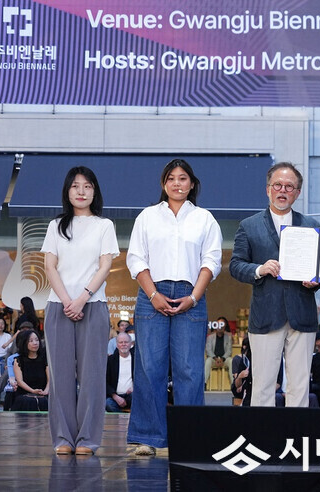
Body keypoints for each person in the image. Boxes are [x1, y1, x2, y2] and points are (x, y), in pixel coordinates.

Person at [127, 158, 222, 456]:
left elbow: (211, 261)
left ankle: (190, 438)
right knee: (149, 368)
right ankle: (147, 438)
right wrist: (153, 294)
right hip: (151, 294)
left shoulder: (204, 218)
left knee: (189, 369)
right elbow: (136, 259)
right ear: (163, 184)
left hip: (191, 295)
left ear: (192, 184)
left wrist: (193, 297)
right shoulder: (147, 217)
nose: (177, 183)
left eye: (183, 178)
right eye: (171, 178)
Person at [230, 162, 320, 408]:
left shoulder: (311, 225)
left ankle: (296, 433)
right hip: (266, 316)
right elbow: (236, 266)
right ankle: (262, 432)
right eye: (277, 185)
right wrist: (259, 269)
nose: (283, 190)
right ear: (268, 189)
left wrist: (315, 282)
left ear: (297, 192)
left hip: (302, 315)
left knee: (300, 386)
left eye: (289, 186)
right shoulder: (249, 225)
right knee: (262, 386)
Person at [42, 166, 119, 455]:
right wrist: (67, 301)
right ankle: (63, 438)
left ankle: (87, 439)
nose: (81, 191)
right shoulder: (56, 226)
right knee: (60, 377)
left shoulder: (104, 225)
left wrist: (82, 298)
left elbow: (105, 266)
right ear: (67, 191)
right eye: (75, 186)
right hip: (58, 306)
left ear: (94, 191)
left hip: (93, 306)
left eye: (87, 186)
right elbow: (49, 266)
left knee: (92, 377)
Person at [231, 336, 285, 407]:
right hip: (251, 393)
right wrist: (240, 377)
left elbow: (278, 383)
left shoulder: (276, 356)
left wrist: (264, 392)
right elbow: (237, 385)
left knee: (276, 398)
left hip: (269, 392)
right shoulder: (247, 357)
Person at [11, 330, 49, 411]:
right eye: (31, 341)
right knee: (28, 402)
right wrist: (33, 391)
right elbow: (20, 381)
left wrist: (46, 391)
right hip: (24, 393)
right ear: (24, 343)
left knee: (45, 401)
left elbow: (50, 380)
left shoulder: (45, 359)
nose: (35, 343)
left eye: (37, 340)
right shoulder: (18, 360)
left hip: (43, 392)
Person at [106, 332, 134, 412]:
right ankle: (121, 419)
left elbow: (142, 378)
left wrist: (135, 387)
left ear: (131, 344)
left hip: (132, 395)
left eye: (126, 342)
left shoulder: (137, 360)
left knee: (140, 399)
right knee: (108, 403)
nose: (123, 344)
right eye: (121, 342)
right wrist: (114, 396)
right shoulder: (110, 360)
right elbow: (104, 381)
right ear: (117, 345)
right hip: (115, 396)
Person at [204, 316, 232, 384]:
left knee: (231, 361)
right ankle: (204, 383)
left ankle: (233, 383)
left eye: (222, 324)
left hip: (224, 359)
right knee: (208, 361)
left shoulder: (228, 337)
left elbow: (229, 351)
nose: (220, 327)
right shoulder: (210, 337)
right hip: (214, 359)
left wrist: (222, 359)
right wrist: (216, 358)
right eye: (219, 324)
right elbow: (208, 350)